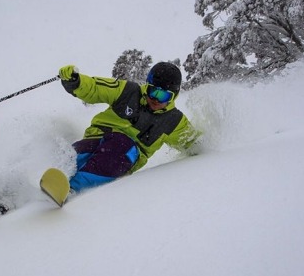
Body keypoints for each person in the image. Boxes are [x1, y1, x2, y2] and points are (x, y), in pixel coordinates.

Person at [59, 62, 201, 193]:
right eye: (153, 92)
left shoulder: (174, 121)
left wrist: (209, 148)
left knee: (121, 145)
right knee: (74, 155)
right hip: (98, 138)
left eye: (163, 96)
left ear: (174, 96)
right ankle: (53, 175)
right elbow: (96, 88)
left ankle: (73, 189)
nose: (156, 99)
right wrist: (76, 82)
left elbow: (193, 144)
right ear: (147, 85)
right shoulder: (128, 91)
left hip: (124, 157)